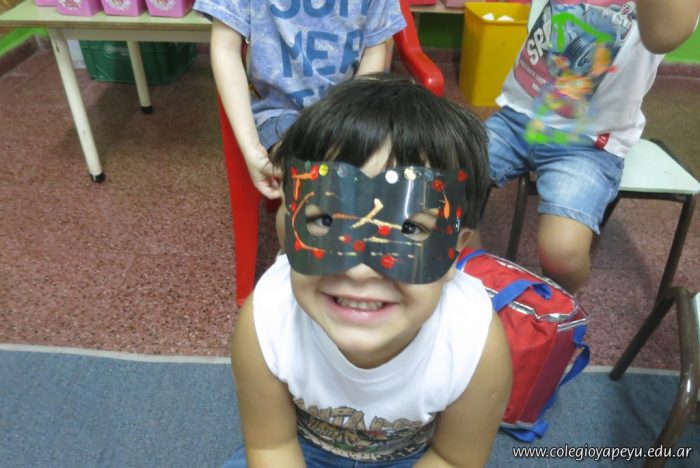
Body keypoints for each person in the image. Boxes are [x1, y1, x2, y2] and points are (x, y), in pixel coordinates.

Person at [223, 74, 512, 467]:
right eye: (326, 220)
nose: (359, 273)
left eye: (408, 230)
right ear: (290, 230)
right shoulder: (268, 318)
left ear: (453, 253)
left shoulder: (474, 342)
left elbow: (453, 458)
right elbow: (271, 446)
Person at [477, 0, 700, 293]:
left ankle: (560, 308)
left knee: (562, 253)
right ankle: (470, 279)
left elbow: (665, 33)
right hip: (518, 116)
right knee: (440, 185)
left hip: (589, 144)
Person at [193, 0, 407, 199]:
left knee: (387, 171)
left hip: (348, 110)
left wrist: (352, 122)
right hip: (279, 113)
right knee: (310, 183)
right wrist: (251, 148)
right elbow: (225, 49)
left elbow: (374, 48)